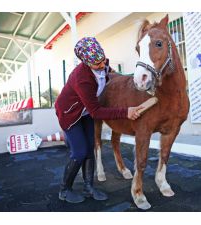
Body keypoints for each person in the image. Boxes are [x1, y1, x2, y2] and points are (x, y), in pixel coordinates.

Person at [55, 37, 143, 203]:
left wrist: (136, 77)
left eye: (103, 60)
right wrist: (126, 112)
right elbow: (96, 112)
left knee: (90, 149)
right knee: (79, 152)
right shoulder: (82, 78)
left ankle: (89, 187)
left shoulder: (103, 63)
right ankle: (64, 190)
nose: (102, 65)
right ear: (86, 63)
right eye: (97, 64)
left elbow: (114, 75)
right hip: (70, 113)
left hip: (85, 111)